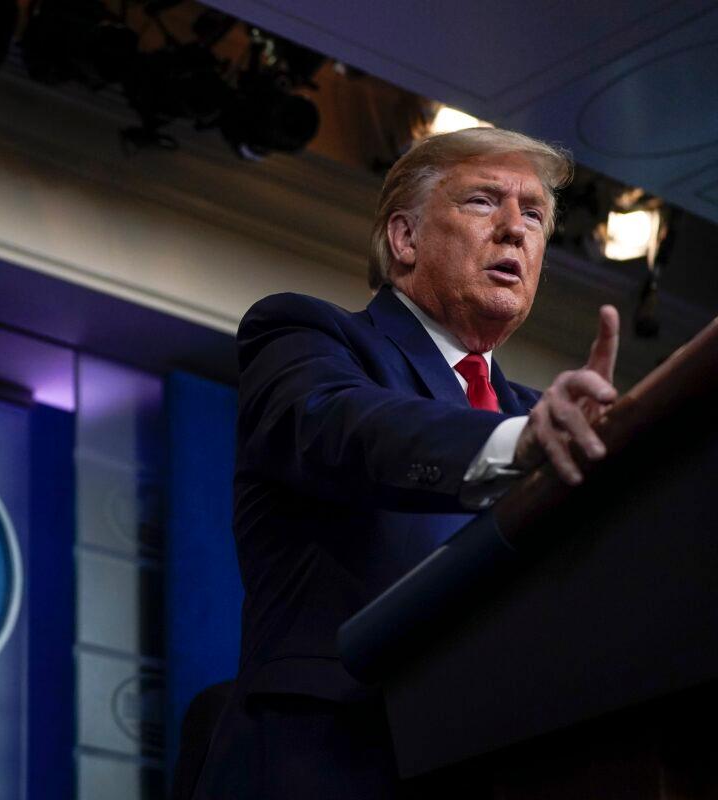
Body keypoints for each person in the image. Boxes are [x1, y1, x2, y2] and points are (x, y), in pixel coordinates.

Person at [190, 127, 620, 799]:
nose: (515, 229)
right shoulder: (308, 337)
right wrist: (513, 447)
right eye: (484, 201)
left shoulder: (543, 416)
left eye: (534, 213)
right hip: (332, 761)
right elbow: (347, 428)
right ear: (404, 238)